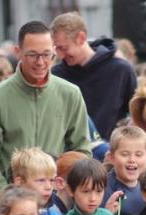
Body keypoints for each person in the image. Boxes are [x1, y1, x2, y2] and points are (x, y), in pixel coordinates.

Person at [0, 20, 91, 199]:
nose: (40, 62)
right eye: (33, 55)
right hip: (11, 205)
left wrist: (62, 192)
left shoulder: (70, 94)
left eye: (46, 54)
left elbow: (82, 152)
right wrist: (8, 199)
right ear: (18, 52)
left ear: (54, 51)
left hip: (57, 200)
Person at [50, 12, 137, 140]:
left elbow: (135, 116)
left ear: (81, 37)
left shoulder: (121, 70)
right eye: (56, 49)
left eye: (63, 48)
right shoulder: (56, 75)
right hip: (70, 154)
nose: (60, 55)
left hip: (112, 153)